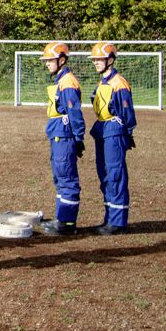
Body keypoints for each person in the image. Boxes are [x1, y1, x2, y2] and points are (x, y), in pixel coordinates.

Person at [38, 42, 87, 236]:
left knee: (66, 177)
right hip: (59, 134)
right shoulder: (61, 80)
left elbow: (74, 112)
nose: (47, 63)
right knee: (60, 176)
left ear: (62, 60)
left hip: (65, 136)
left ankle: (67, 222)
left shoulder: (68, 82)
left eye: (50, 60)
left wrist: (78, 137)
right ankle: (62, 217)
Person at [89, 42, 137, 235]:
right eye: (94, 60)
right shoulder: (103, 82)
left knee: (115, 174)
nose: (96, 63)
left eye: (99, 59)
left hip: (114, 132)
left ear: (110, 59)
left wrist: (126, 133)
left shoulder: (119, 83)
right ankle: (110, 217)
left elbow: (127, 112)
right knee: (105, 175)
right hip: (102, 130)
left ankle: (118, 222)